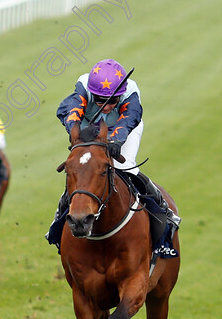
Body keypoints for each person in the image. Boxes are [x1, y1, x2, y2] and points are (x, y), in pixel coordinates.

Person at [47, 58, 180, 246]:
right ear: (93, 93)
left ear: (121, 94)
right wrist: (75, 132)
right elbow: (71, 112)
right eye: (100, 100)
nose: (108, 106)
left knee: (126, 168)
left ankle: (164, 212)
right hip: (90, 129)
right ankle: (59, 220)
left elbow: (129, 118)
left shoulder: (131, 92)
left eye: (113, 100)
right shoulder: (83, 87)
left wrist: (117, 140)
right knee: (82, 172)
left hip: (123, 130)